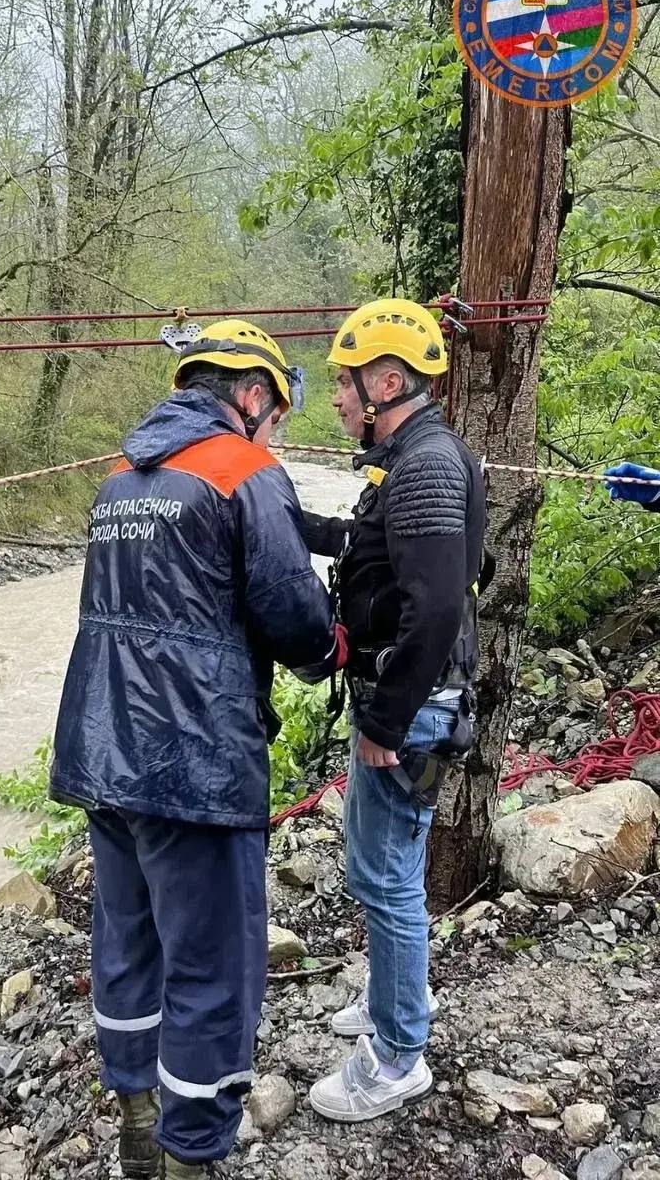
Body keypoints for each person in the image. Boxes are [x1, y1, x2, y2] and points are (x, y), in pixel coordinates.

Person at [49, 320, 342, 1180]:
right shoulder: (241, 469)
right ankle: (190, 1157)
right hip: (194, 763)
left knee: (128, 942)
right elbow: (291, 612)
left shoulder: (121, 477)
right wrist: (333, 650)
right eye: (276, 416)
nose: (275, 433)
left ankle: (136, 1119)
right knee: (211, 967)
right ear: (251, 396)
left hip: (103, 750)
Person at [300, 298, 487, 1124]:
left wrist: (385, 722)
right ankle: (391, 996)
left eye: (344, 383)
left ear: (384, 382)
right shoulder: (407, 460)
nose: (337, 397)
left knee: (386, 879)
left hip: (407, 708)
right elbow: (369, 548)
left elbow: (436, 606)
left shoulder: (428, 466)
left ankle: (398, 1054)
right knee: (374, 869)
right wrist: (285, 518)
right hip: (396, 698)